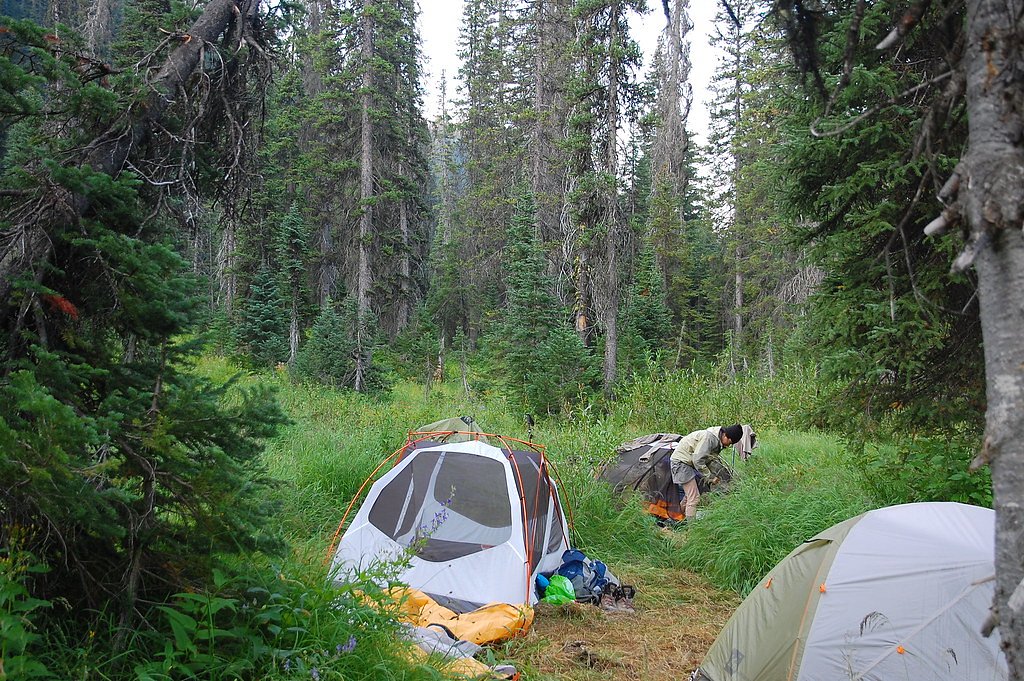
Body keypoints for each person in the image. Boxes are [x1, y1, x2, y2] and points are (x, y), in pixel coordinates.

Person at [669, 424, 743, 521]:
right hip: (680, 463)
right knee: (694, 498)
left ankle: (677, 519)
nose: (728, 445)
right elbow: (698, 461)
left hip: (686, 462)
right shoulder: (709, 438)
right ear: (725, 435)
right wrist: (711, 477)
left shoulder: (717, 439)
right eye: (730, 442)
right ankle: (692, 527)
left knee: (689, 496)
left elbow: (709, 460)